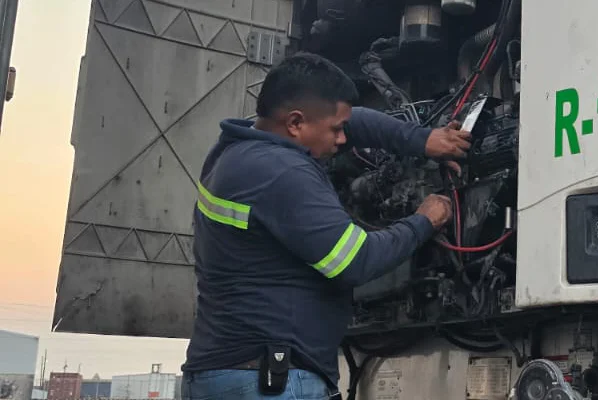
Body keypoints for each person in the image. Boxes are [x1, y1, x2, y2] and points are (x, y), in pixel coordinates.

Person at [180, 52, 470, 399]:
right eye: (335, 130)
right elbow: (355, 261)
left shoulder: (238, 148)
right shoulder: (281, 171)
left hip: (227, 371)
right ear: (296, 123)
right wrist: (425, 220)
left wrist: (421, 139)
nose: (343, 139)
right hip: (268, 380)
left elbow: (351, 119)